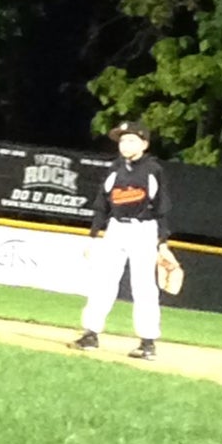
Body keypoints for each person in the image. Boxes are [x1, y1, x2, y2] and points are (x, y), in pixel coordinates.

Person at [68, 120, 172, 360]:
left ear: (144, 144)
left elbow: (161, 207)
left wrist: (163, 242)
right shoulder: (114, 168)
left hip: (144, 230)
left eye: (131, 140)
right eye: (122, 140)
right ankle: (91, 334)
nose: (125, 144)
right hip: (115, 229)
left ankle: (147, 342)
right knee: (103, 280)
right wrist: (94, 237)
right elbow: (102, 204)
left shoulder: (152, 170)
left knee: (144, 285)